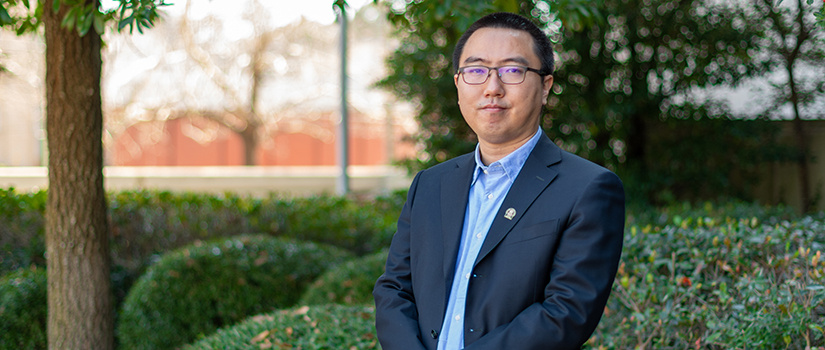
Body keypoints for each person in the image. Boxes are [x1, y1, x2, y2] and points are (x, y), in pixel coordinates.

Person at [373, 12, 625, 350]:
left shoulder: (588, 188)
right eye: (476, 71)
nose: (493, 88)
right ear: (459, 84)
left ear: (546, 86)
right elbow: (394, 289)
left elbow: (566, 313)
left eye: (512, 70)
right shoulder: (430, 184)